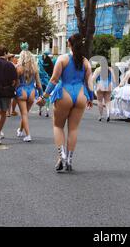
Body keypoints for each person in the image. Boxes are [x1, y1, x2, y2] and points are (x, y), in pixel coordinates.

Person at [41, 34, 93, 172]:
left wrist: (44, 97)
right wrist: (91, 97)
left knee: (58, 126)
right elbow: (89, 82)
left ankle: (61, 154)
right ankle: (69, 159)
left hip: (64, 93)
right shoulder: (86, 62)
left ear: (69, 43)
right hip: (81, 94)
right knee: (73, 129)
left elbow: (53, 80)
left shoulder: (63, 59)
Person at [15, 43, 43, 142]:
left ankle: (28, 135)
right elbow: (39, 84)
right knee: (25, 113)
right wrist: (41, 95)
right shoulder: (35, 69)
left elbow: (15, 83)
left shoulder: (18, 68)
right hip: (32, 92)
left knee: (24, 114)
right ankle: (21, 130)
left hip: (21, 91)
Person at [38, 51, 54, 117]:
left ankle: (40, 109)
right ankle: (47, 110)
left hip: (41, 81)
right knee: (47, 95)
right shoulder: (51, 63)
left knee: (41, 95)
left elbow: (38, 72)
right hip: (48, 81)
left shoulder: (40, 63)